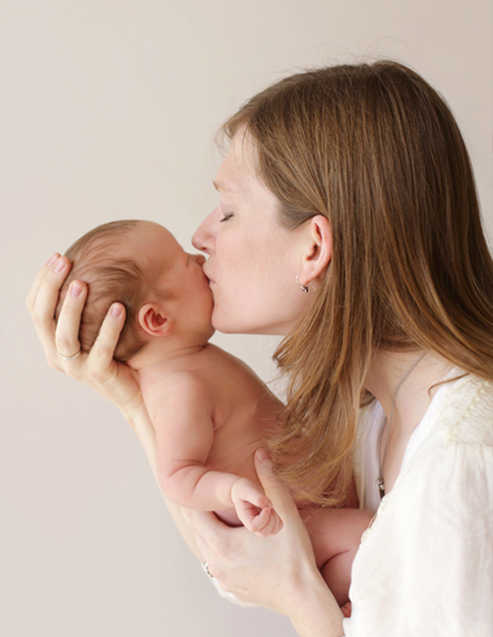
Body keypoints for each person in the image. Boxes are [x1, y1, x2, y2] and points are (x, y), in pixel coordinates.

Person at [26, 60, 493, 636]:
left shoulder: (461, 465)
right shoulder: (373, 417)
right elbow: (235, 557)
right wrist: (132, 395)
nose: (201, 236)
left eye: (228, 210)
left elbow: (277, 571)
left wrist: (304, 604)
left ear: (313, 247)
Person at [55, 218, 371, 607]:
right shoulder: (178, 388)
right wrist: (231, 490)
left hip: (317, 502)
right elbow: (176, 476)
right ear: (157, 319)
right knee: (371, 539)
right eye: (186, 262)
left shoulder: (189, 360)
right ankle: (344, 609)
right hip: (298, 527)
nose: (198, 256)